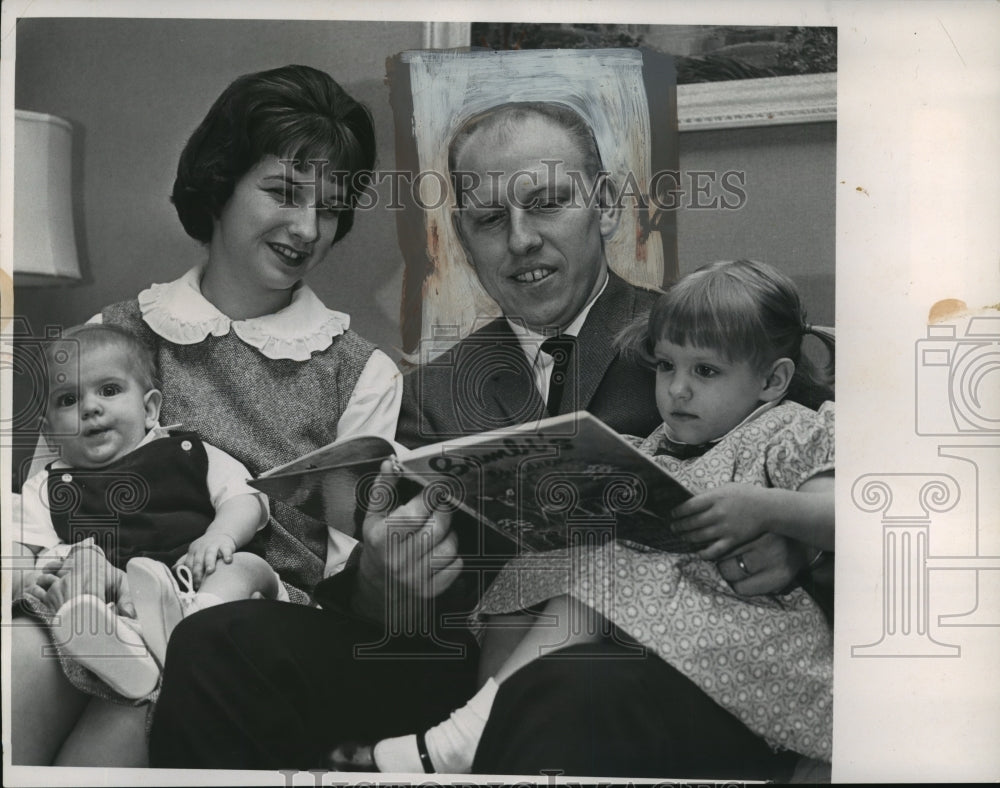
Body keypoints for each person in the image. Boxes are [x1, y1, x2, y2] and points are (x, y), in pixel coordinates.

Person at [148, 103, 828, 774]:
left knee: (568, 686)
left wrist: (792, 540)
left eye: (548, 203)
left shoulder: (703, 345)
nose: (521, 238)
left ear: (608, 206)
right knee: (219, 640)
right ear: (464, 242)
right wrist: (389, 582)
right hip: (461, 665)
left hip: (653, 668)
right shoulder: (434, 390)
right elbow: (386, 610)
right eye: (489, 219)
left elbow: (822, 470)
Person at [12, 64, 401, 767]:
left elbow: (350, 583)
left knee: (131, 720)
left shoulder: (362, 373)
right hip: (93, 595)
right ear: (220, 183)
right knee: (19, 657)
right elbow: (45, 494)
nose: (309, 228)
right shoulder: (118, 333)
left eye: (331, 206)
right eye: (283, 192)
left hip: (235, 638)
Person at [370, 258, 836, 777]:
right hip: (672, 627)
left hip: (753, 642)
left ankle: (466, 739)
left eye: (705, 371)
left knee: (602, 568)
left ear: (773, 381)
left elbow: (843, 513)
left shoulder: (789, 430)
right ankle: (492, 734)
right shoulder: (661, 445)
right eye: (666, 366)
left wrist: (766, 508)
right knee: (533, 571)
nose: (677, 389)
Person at [16, 323, 280, 700]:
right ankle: (129, 656)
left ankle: (193, 629)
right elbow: (22, 551)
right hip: (122, 599)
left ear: (150, 409)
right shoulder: (46, 486)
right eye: (68, 400)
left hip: (202, 579)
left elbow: (245, 498)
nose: (90, 407)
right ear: (51, 433)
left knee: (241, 565)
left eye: (109, 390)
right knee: (79, 576)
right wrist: (42, 573)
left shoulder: (188, 453)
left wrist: (219, 536)